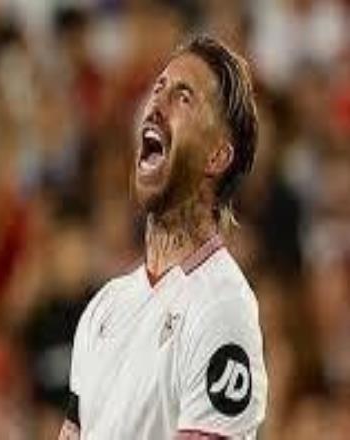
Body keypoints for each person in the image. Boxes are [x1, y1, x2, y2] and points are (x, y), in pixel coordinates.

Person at [58, 35, 268, 440]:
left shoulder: (223, 309)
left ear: (217, 156)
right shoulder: (105, 307)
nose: (155, 105)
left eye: (183, 97)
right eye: (158, 89)